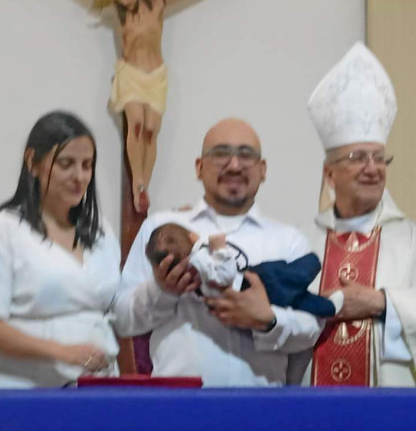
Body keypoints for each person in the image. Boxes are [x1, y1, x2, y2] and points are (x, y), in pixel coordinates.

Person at [31, 0, 237, 213]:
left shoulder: (158, 3)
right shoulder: (117, 8)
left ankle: (144, 187)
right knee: (136, 124)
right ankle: (138, 182)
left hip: (156, 75)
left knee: (151, 131)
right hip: (130, 73)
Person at [114, 117, 323, 386]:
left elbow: (312, 327)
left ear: (263, 169)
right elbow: (122, 319)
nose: (234, 165)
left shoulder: (289, 241)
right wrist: (163, 291)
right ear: (199, 167)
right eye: (220, 154)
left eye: (246, 155)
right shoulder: (162, 230)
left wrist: (269, 321)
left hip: (261, 406)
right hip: (180, 403)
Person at [307, 42, 416, 387]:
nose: (372, 169)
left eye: (379, 158)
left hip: (390, 411)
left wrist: (381, 302)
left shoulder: (413, 241)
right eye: (358, 158)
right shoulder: (306, 244)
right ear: (330, 173)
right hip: (313, 408)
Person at [0, 111, 121, 388]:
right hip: (23, 387)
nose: (79, 176)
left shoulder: (100, 230)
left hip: (94, 386)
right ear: (32, 162)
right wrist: (64, 352)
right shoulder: (5, 230)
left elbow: (118, 311)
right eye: (66, 164)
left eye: (87, 165)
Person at [145, 222, 343, 317]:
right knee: (292, 274)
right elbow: (224, 276)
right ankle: (316, 263)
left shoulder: (196, 265)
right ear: (192, 236)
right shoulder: (201, 258)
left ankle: (330, 306)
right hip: (250, 285)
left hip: (247, 286)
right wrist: (220, 250)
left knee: (298, 301)